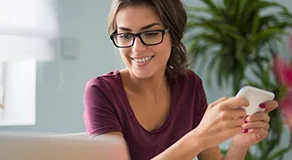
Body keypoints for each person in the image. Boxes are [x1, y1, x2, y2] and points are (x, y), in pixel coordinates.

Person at [83, 0, 279, 159]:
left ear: (174, 35)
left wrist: (240, 144)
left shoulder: (189, 86)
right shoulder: (101, 91)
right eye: (125, 36)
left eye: (150, 34)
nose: (136, 49)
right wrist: (199, 137)